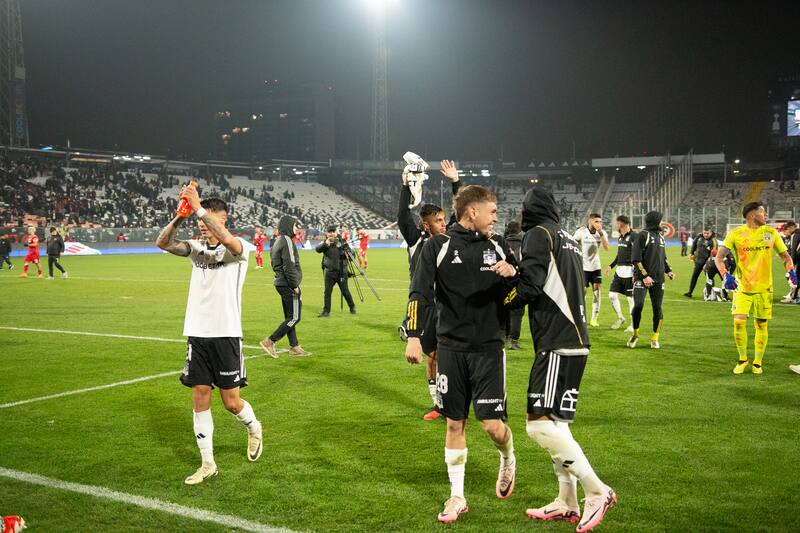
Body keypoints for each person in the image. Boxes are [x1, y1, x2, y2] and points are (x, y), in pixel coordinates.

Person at [405, 185, 519, 523]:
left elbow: (519, 294)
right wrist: (413, 335)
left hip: (487, 349)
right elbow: (419, 292)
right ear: (473, 212)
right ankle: (456, 496)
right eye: (492, 211)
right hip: (451, 349)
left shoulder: (498, 247)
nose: (496, 217)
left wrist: (513, 275)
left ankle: (508, 457)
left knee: (492, 426)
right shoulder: (437, 247)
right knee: (454, 422)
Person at [506, 188, 616, 533]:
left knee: (537, 424)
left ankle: (596, 490)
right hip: (576, 338)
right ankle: (566, 500)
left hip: (557, 340)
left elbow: (530, 287)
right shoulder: (566, 236)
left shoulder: (538, 235)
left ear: (530, 210)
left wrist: (498, 298)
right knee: (558, 424)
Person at [155, 186, 263, 485]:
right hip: (197, 334)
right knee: (200, 397)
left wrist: (198, 207)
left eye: (207, 218)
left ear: (223, 217)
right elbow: (162, 242)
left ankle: (254, 427)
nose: (201, 224)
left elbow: (227, 240)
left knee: (231, 402)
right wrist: (181, 215)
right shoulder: (195, 248)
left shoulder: (238, 246)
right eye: (199, 221)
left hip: (226, 334)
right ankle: (207, 463)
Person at [397, 160, 462, 420]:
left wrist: (456, 182)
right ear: (426, 225)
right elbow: (403, 215)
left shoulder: (449, 238)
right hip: (425, 307)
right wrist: (405, 186)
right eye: (438, 221)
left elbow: (462, 213)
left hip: (449, 305)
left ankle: (450, 401)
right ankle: (439, 404)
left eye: (444, 219)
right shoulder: (417, 240)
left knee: (448, 356)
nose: (444, 224)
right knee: (432, 357)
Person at [715, 202, 795, 374]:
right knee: (738, 322)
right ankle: (742, 359)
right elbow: (719, 258)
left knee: (761, 324)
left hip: (764, 288)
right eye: (763, 213)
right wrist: (725, 275)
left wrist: (791, 270)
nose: (766, 216)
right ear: (752, 215)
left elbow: (786, 257)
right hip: (742, 286)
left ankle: (757, 362)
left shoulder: (771, 233)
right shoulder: (736, 234)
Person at [260, 216, 309, 358]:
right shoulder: (286, 240)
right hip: (288, 284)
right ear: (288, 226)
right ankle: (270, 341)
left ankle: (294, 347)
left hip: (280, 282)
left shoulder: (277, 241)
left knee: (290, 316)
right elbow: (289, 264)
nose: (297, 228)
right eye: (295, 226)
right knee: (294, 317)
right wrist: (294, 285)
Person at [628, 211, 675, 349]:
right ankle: (635, 334)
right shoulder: (642, 235)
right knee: (638, 306)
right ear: (655, 221)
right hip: (642, 278)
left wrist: (668, 270)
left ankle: (655, 337)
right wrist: (645, 276)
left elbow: (662, 258)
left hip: (659, 279)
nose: (662, 223)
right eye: (660, 220)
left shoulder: (661, 237)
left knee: (657, 308)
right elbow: (636, 259)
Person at [572, 214, 609, 327]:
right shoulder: (581, 232)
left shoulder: (602, 233)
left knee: (597, 294)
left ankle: (594, 319)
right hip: (583, 267)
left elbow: (607, 248)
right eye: (596, 221)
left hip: (596, 267)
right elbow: (573, 244)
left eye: (600, 222)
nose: (599, 224)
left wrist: (601, 233)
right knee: (581, 293)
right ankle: (580, 316)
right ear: (590, 221)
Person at [604, 215, 636, 332]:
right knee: (612, 295)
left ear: (622, 224)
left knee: (630, 300)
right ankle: (621, 317)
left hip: (630, 272)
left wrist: (636, 273)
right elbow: (619, 255)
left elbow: (638, 256)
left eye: (617, 223)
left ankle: (633, 325)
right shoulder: (620, 237)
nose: (616, 225)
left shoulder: (634, 237)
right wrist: (610, 266)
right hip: (619, 271)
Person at [315, 226, 356, 316]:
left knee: (345, 291)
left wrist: (348, 253)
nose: (331, 233)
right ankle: (326, 311)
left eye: (333, 231)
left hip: (342, 271)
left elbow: (352, 255)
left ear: (336, 232)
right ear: (327, 233)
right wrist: (326, 243)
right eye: (329, 232)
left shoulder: (343, 242)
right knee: (327, 292)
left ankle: (352, 306)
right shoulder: (325, 243)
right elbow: (317, 249)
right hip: (329, 272)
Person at [504, 220, 525, 350]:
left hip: (504, 281)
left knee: (505, 307)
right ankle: (514, 339)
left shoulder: (501, 243)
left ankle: (505, 335)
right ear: (519, 230)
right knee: (517, 311)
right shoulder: (524, 244)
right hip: (519, 281)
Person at [683, 227, 717, 298]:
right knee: (694, 277)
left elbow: (714, 253)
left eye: (708, 233)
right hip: (698, 262)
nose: (706, 234)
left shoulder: (713, 241)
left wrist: (708, 263)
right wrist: (691, 253)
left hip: (707, 263)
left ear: (711, 233)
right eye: (704, 233)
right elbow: (694, 244)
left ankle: (711, 294)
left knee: (709, 278)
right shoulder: (699, 237)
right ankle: (690, 292)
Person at [779, 221, 797, 303]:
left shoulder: (795, 236)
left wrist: (791, 261)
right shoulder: (789, 237)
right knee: (791, 277)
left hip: (795, 261)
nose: (785, 232)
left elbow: (793, 250)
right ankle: (792, 294)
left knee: (792, 277)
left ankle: (793, 296)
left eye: (785, 230)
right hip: (792, 261)